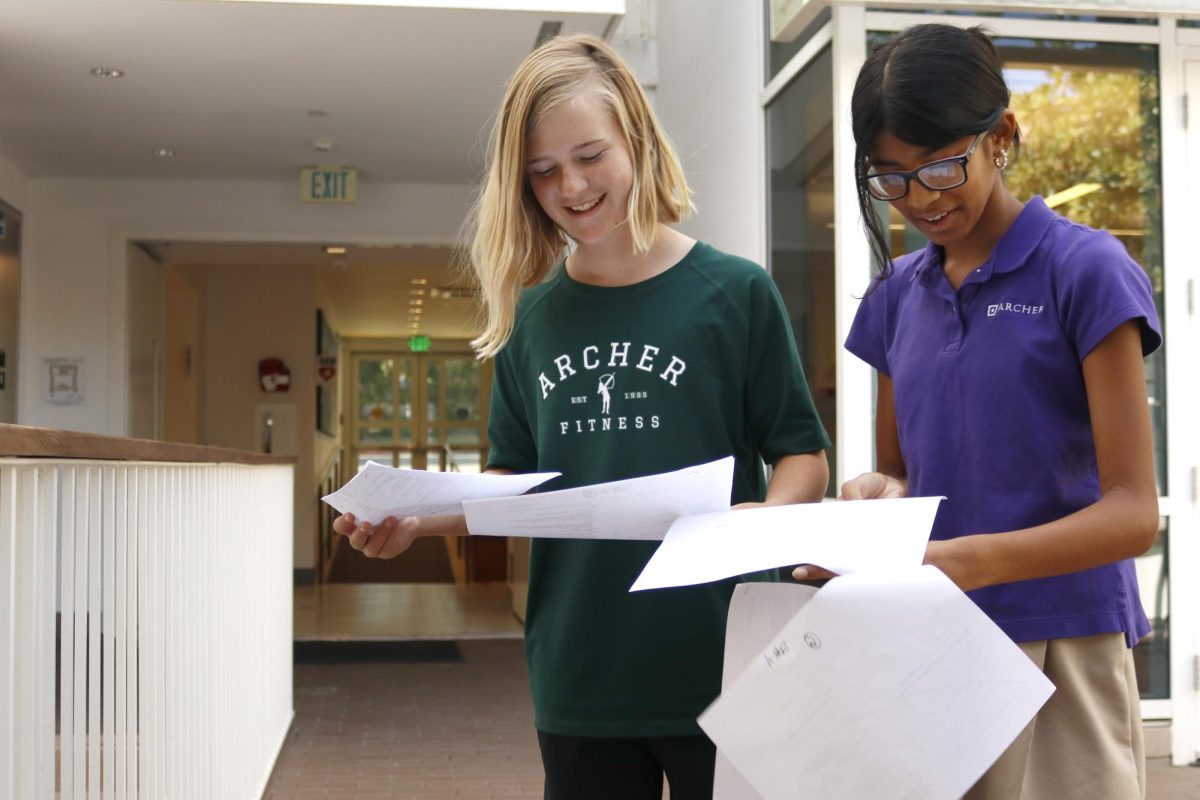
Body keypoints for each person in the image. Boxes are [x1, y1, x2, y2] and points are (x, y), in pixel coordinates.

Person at [333, 34, 830, 799]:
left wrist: (757, 520)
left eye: (589, 155)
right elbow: (513, 483)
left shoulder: (736, 293)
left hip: (723, 655)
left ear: (635, 136)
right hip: (581, 669)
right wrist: (415, 522)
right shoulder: (534, 317)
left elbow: (803, 453)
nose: (571, 185)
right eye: (543, 171)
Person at [795, 22, 1160, 800]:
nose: (920, 199)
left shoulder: (1085, 269)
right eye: (891, 178)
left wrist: (963, 561)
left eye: (942, 166)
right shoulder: (898, 294)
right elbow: (901, 474)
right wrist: (877, 495)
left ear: (1003, 136)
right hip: (936, 642)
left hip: (1067, 638)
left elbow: (1134, 514)